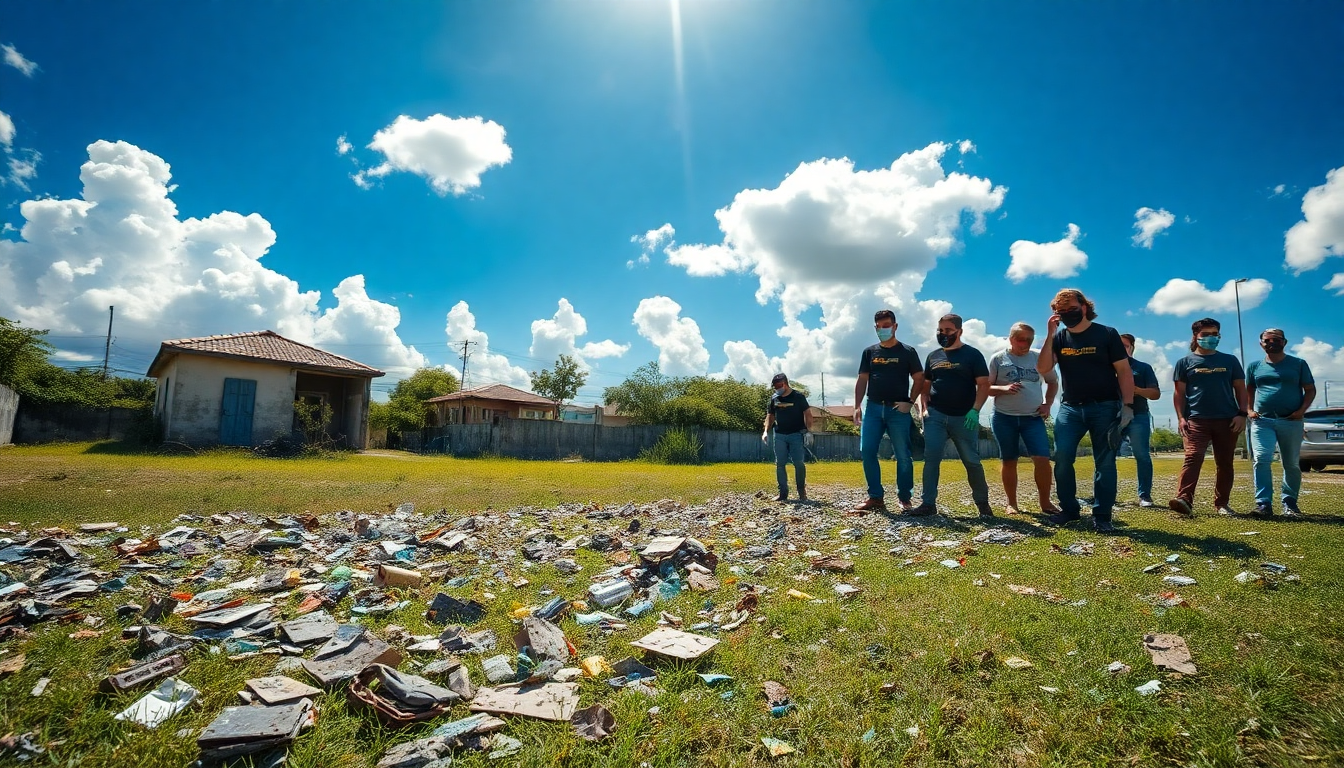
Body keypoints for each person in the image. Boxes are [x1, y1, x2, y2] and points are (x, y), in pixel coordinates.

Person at [1036, 288, 1134, 533]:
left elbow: (1123, 371)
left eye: (1072, 308)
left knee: (1105, 463)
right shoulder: (1059, 338)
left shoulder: (1107, 334)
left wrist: (1128, 406)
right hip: (1070, 409)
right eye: (1062, 311)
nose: (1068, 313)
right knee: (1062, 459)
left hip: (1105, 406)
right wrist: (1050, 334)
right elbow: (1043, 367)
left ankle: (1102, 516)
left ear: (1085, 307)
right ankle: (1069, 510)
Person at [909, 314, 992, 518]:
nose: (942, 334)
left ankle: (983, 505)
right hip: (936, 416)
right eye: (940, 330)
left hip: (964, 417)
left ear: (959, 331)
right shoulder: (933, 356)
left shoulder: (972, 355)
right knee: (931, 460)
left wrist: (975, 410)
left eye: (947, 330)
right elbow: (925, 388)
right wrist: (924, 411)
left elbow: (983, 385)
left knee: (971, 461)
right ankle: (928, 504)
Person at [1170, 318, 1247, 516]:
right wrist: (1181, 418)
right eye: (1206, 334)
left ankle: (1222, 504)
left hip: (1227, 420)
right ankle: (1184, 499)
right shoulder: (1184, 363)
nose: (1211, 338)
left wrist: (1242, 414)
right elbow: (1179, 394)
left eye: (1215, 334)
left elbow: (1240, 389)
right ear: (1196, 336)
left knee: (1224, 462)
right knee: (1193, 457)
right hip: (1196, 419)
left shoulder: (1230, 360)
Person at [852, 309, 926, 512]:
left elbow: (919, 378)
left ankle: (904, 498)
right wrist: (857, 406)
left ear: (895, 326)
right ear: (875, 328)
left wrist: (910, 402)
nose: (883, 329)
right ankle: (875, 498)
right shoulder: (869, 352)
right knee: (867, 451)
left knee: (903, 455)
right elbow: (862, 380)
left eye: (887, 326)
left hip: (898, 410)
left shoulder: (907, 352)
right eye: (879, 327)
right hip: (873, 408)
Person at [988, 322, 1060, 515]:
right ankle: (1012, 503)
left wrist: (1047, 404)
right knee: (1009, 460)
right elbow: (985, 388)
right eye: (1021, 339)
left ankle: (1045, 503)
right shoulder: (998, 359)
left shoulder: (1038, 358)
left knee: (1042, 459)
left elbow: (1053, 382)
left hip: (1033, 418)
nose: (1025, 343)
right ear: (1011, 338)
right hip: (1004, 418)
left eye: (1029, 340)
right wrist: (1003, 388)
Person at [1246, 328, 1315, 517]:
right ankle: (1263, 504)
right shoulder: (1254, 366)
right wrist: (1250, 410)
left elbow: (1309, 389)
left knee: (1291, 464)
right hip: (1262, 421)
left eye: (1276, 340)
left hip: (1291, 421)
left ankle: (1290, 503)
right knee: (1261, 459)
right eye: (1267, 340)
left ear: (1284, 342)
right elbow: (1249, 389)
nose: (1272, 343)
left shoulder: (1298, 364)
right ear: (1261, 343)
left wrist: (1301, 411)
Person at [1120, 334, 1162, 507]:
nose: (1122, 349)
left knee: (1142, 455)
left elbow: (1155, 394)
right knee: (1104, 456)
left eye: (1126, 346)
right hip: (1111, 416)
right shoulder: (1105, 368)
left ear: (1132, 348)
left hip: (1139, 416)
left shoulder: (1143, 368)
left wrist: (1136, 390)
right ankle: (1103, 495)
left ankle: (1145, 495)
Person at [763, 373, 813, 502]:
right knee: (780, 464)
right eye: (774, 387)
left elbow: (807, 414)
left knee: (798, 463)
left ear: (784, 384)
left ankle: (801, 492)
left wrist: (808, 431)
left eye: (778, 386)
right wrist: (765, 431)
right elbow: (770, 416)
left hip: (796, 434)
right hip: (779, 435)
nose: (776, 389)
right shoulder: (774, 398)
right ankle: (783, 493)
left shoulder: (798, 397)